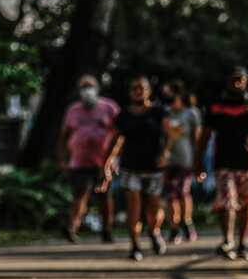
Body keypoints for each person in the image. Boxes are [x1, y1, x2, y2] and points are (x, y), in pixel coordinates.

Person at [195, 66, 248, 261]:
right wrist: (198, 162)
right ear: (227, 81)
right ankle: (227, 240)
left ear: (246, 81)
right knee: (226, 202)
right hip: (224, 162)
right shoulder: (216, 105)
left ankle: (243, 244)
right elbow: (204, 136)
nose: (237, 83)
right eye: (233, 79)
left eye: (241, 79)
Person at [103, 76, 172, 261]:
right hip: (130, 167)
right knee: (133, 208)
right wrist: (107, 162)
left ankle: (154, 231)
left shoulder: (159, 111)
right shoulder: (124, 115)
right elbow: (115, 140)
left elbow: (170, 135)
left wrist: (164, 154)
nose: (138, 91)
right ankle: (134, 245)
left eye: (141, 88)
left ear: (148, 90)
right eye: (134, 88)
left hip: (154, 169)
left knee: (153, 208)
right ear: (130, 92)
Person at [58, 75, 120, 243]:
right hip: (79, 161)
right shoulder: (73, 110)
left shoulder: (109, 107)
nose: (87, 90)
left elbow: (119, 134)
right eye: (84, 87)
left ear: (97, 88)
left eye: (90, 86)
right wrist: (62, 157)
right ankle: (72, 227)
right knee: (79, 195)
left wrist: (114, 157)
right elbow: (64, 135)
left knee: (104, 197)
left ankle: (107, 230)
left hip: (104, 162)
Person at [164, 82, 201, 244]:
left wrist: (197, 160)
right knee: (170, 195)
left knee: (183, 192)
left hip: (186, 159)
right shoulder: (165, 113)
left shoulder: (191, 113)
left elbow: (197, 138)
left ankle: (187, 222)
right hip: (167, 160)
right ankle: (173, 227)